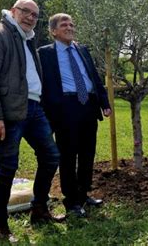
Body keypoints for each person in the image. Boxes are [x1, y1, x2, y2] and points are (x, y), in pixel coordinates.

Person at [0, 0, 63, 243]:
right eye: (26, 12)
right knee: (7, 166)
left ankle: (39, 209)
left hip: (34, 109)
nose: (30, 18)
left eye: (35, 15)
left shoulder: (27, 39)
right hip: (10, 111)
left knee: (51, 156)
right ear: (13, 11)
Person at [38, 13, 111, 217]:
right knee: (68, 155)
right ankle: (71, 201)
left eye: (71, 24)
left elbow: (94, 77)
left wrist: (104, 102)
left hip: (88, 105)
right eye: (64, 25)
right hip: (65, 108)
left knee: (88, 153)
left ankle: (83, 193)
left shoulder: (82, 50)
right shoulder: (44, 53)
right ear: (53, 30)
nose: (70, 27)